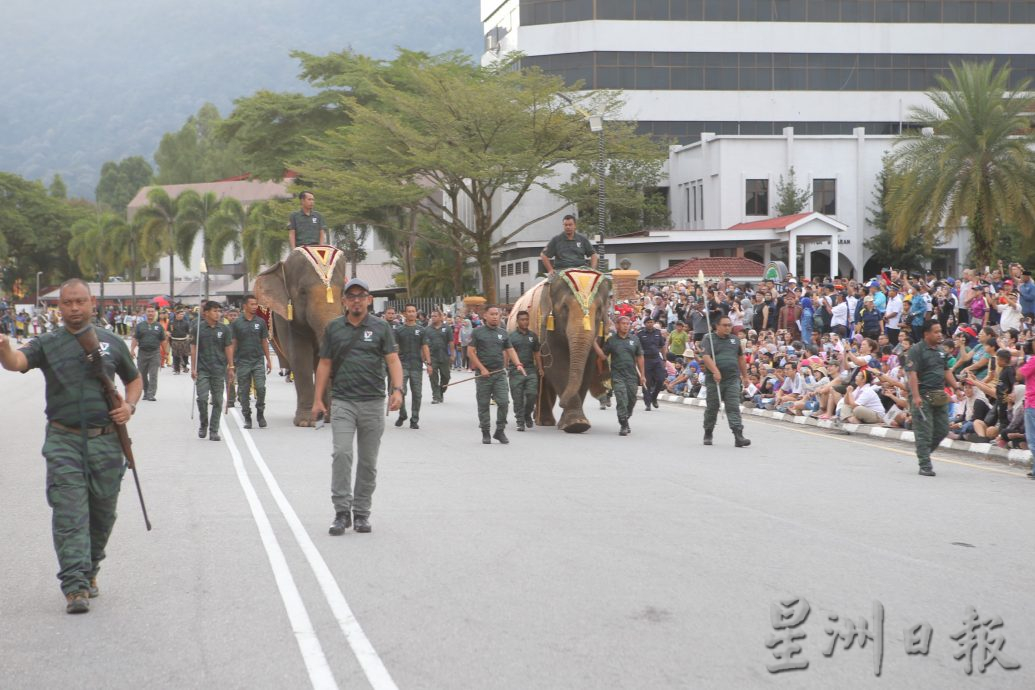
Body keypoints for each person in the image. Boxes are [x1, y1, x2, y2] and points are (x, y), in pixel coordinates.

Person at [0, 279, 142, 614]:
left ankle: (90, 568)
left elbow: (134, 379)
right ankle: (75, 585)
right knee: (68, 511)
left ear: (92, 303)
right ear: (59, 307)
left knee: (103, 512)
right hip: (64, 439)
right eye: (67, 303)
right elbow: (17, 362)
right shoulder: (48, 343)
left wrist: (129, 407)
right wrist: (4, 348)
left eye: (80, 302)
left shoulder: (110, 342)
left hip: (106, 440)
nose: (74, 309)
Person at [312, 278, 402, 535]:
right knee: (341, 454)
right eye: (351, 296)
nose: (356, 300)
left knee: (368, 462)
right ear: (344, 301)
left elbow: (393, 360)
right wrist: (318, 399)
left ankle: (362, 512)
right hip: (343, 401)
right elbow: (325, 364)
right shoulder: (334, 329)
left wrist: (397, 390)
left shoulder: (381, 327)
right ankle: (341, 512)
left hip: (373, 402)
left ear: (369, 300)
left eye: (361, 296)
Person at [904, 321, 960, 477]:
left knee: (942, 429)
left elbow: (946, 371)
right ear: (926, 334)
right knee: (924, 431)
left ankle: (924, 452)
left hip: (939, 394)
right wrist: (915, 396)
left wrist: (956, 387)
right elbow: (912, 374)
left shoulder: (941, 351)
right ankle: (925, 465)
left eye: (940, 331)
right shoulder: (917, 350)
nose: (939, 334)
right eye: (936, 332)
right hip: (922, 394)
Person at [468, 305, 525, 444]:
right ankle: (485, 431)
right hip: (483, 375)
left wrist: (518, 364)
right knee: (483, 404)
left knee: (504, 402)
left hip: (499, 373)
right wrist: (482, 369)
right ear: (485, 316)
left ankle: (500, 431)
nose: (495, 316)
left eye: (497, 314)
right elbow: (470, 352)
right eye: (492, 314)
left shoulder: (503, 333)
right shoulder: (477, 332)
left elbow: (510, 350)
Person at [700, 315, 751, 447]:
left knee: (733, 406)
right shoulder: (709, 339)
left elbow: (741, 358)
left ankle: (738, 435)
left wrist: (745, 376)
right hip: (714, 380)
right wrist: (715, 371)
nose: (728, 327)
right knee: (712, 407)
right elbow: (706, 357)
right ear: (717, 326)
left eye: (730, 325)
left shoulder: (735, 340)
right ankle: (708, 432)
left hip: (732, 379)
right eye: (725, 325)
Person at [593, 315, 646, 436]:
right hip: (618, 376)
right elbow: (603, 357)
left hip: (632, 376)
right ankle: (623, 424)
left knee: (632, 400)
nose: (626, 326)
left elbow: (640, 357)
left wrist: (643, 375)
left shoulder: (635, 339)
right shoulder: (612, 340)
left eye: (628, 324)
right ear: (617, 325)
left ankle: (625, 418)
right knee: (621, 399)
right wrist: (594, 344)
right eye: (623, 324)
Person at [191, 301, 234, 442]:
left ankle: (214, 430)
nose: (218, 314)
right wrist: (193, 368)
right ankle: (203, 423)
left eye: (219, 311)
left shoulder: (224, 329)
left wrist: (231, 367)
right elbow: (193, 349)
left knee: (217, 400)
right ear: (206, 313)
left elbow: (228, 348)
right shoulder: (198, 329)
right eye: (215, 311)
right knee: (202, 398)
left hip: (218, 369)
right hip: (202, 369)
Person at [229, 295, 273, 429]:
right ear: (245, 306)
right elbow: (233, 343)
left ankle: (260, 413)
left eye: (256, 304)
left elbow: (264, 341)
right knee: (243, 390)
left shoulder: (260, 322)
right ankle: (247, 416)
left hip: (257, 360)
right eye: (252, 304)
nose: (255, 307)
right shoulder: (236, 323)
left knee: (260, 387)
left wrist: (269, 360)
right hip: (242, 361)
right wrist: (230, 363)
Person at [392, 304, 431, 430]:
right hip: (402, 365)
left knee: (417, 394)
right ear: (404, 313)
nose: (411, 313)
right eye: (409, 311)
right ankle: (402, 414)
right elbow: (395, 348)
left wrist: (429, 363)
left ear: (416, 314)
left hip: (416, 366)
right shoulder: (399, 330)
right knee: (400, 391)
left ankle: (414, 419)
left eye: (413, 311)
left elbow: (425, 347)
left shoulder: (421, 330)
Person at [508, 310, 543, 432]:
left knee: (532, 395)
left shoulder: (532, 336)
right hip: (515, 371)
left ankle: (527, 414)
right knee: (518, 398)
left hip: (530, 370)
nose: (525, 322)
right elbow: (507, 353)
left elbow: (537, 353)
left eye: (527, 319)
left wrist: (540, 368)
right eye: (522, 320)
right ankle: (520, 421)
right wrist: (504, 367)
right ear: (517, 321)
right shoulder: (511, 337)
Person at [130, 305, 165, 401]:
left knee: (153, 374)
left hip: (155, 353)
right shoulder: (140, 326)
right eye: (148, 311)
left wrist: (165, 353)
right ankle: (146, 392)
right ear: (145, 313)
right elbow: (135, 338)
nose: (150, 313)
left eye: (152, 311)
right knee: (142, 375)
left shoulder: (159, 326)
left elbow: (163, 340)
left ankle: (151, 394)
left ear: (155, 313)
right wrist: (132, 350)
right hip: (142, 353)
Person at [637, 316, 667, 411]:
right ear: (645, 324)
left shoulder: (658, 333)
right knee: (647, 382)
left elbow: (662, 346)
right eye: (648, 322)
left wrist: (665, 359)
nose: (650, 324)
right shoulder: (640, 334)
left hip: (657, 359)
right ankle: (648, 403)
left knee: (661, 379)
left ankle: (654, 397)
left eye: (651, 322)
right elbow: (637, 349)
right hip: (645, 360)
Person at [426, 310, 454, 403]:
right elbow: (424, 345)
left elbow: (451, 342)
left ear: (441, 317)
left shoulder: (447, 328)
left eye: (435, 316)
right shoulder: (427, 329)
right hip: (432, 356)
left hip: (444, 356)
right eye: (432, 316)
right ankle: (436, 396)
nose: (433, 317)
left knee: (446, 377)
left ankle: (440, 391)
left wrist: (452, 355)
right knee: (433, 377)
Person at [169, 307, 192, 374]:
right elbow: (168, 331)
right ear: (176, 315)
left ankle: (185, 367)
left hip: (184, 341)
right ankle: (177, 370)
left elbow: (188, 331)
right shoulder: (172, 323)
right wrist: (168, 333)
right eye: (180, 314)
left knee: (185, 355)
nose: (182, 315)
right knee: (175, 355)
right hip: (175, 341)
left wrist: (188, 336)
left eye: (183, 314)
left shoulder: (186, 323)